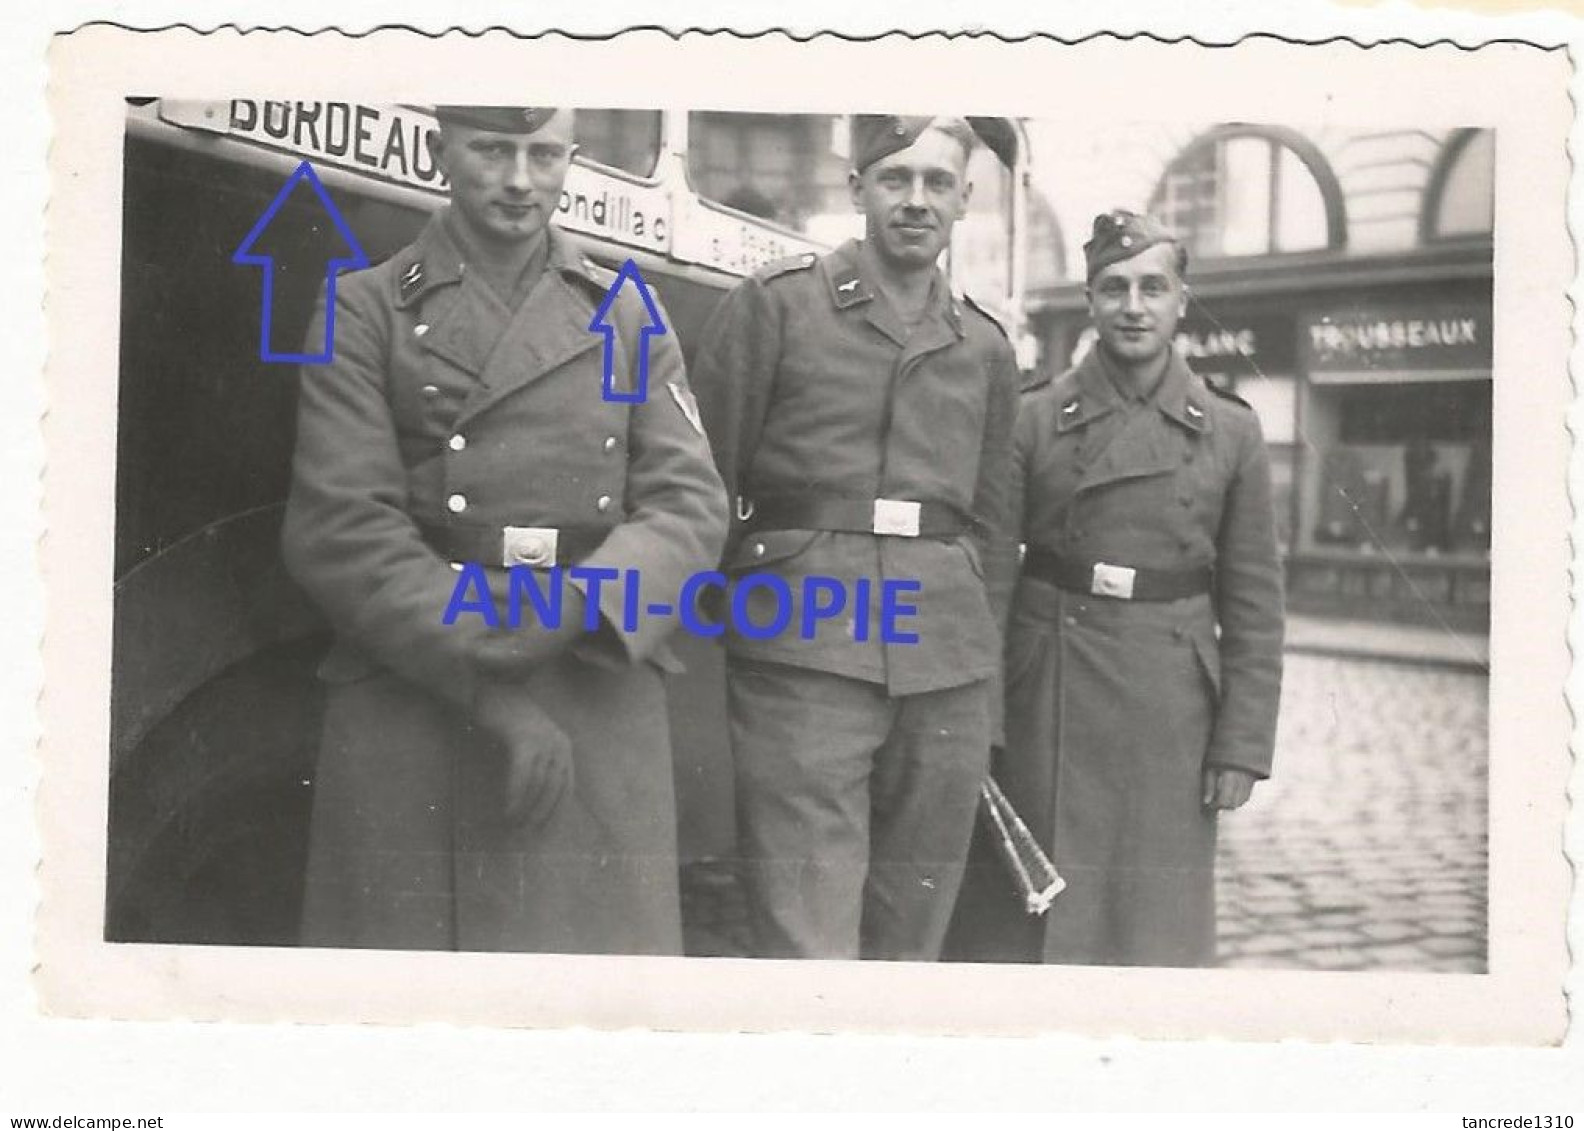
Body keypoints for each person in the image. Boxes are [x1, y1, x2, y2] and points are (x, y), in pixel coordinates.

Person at [283, 105, 728, 953]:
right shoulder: (364, 308)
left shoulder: (627, 313)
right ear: (438, 149)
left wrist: (580, 605)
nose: (521, 180)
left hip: (593, 676)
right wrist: (491, 691)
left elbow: (688, 502)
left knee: (589, 1023)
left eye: (544, 153)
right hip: (419, 682)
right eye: (492, 150)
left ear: (571, 159)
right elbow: (340, 525)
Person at [690, 114, 1019, 961]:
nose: (916, 201)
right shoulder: (776, 305)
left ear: (965, 201)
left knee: (913, 931)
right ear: (855, 190)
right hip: (803, 649)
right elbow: (701, 481)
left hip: (944, 660)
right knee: (807, 934)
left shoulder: (984, 345)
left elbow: (993, 519)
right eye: (895, 179)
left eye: (937, 183)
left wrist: (982, 685)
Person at [948, 210, 1284, 967]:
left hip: (1173, 707)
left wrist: (1242, 742)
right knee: (1028, 919)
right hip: (1049, 690)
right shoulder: (1036, 418)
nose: (1134, 306)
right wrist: (986, 720)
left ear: (1181, 300)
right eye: (1114, 288)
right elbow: (992, 581)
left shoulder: (1230, 430)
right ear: (1091, 299)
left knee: (1153, 923)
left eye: (1152, 287)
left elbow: (1257, 605)